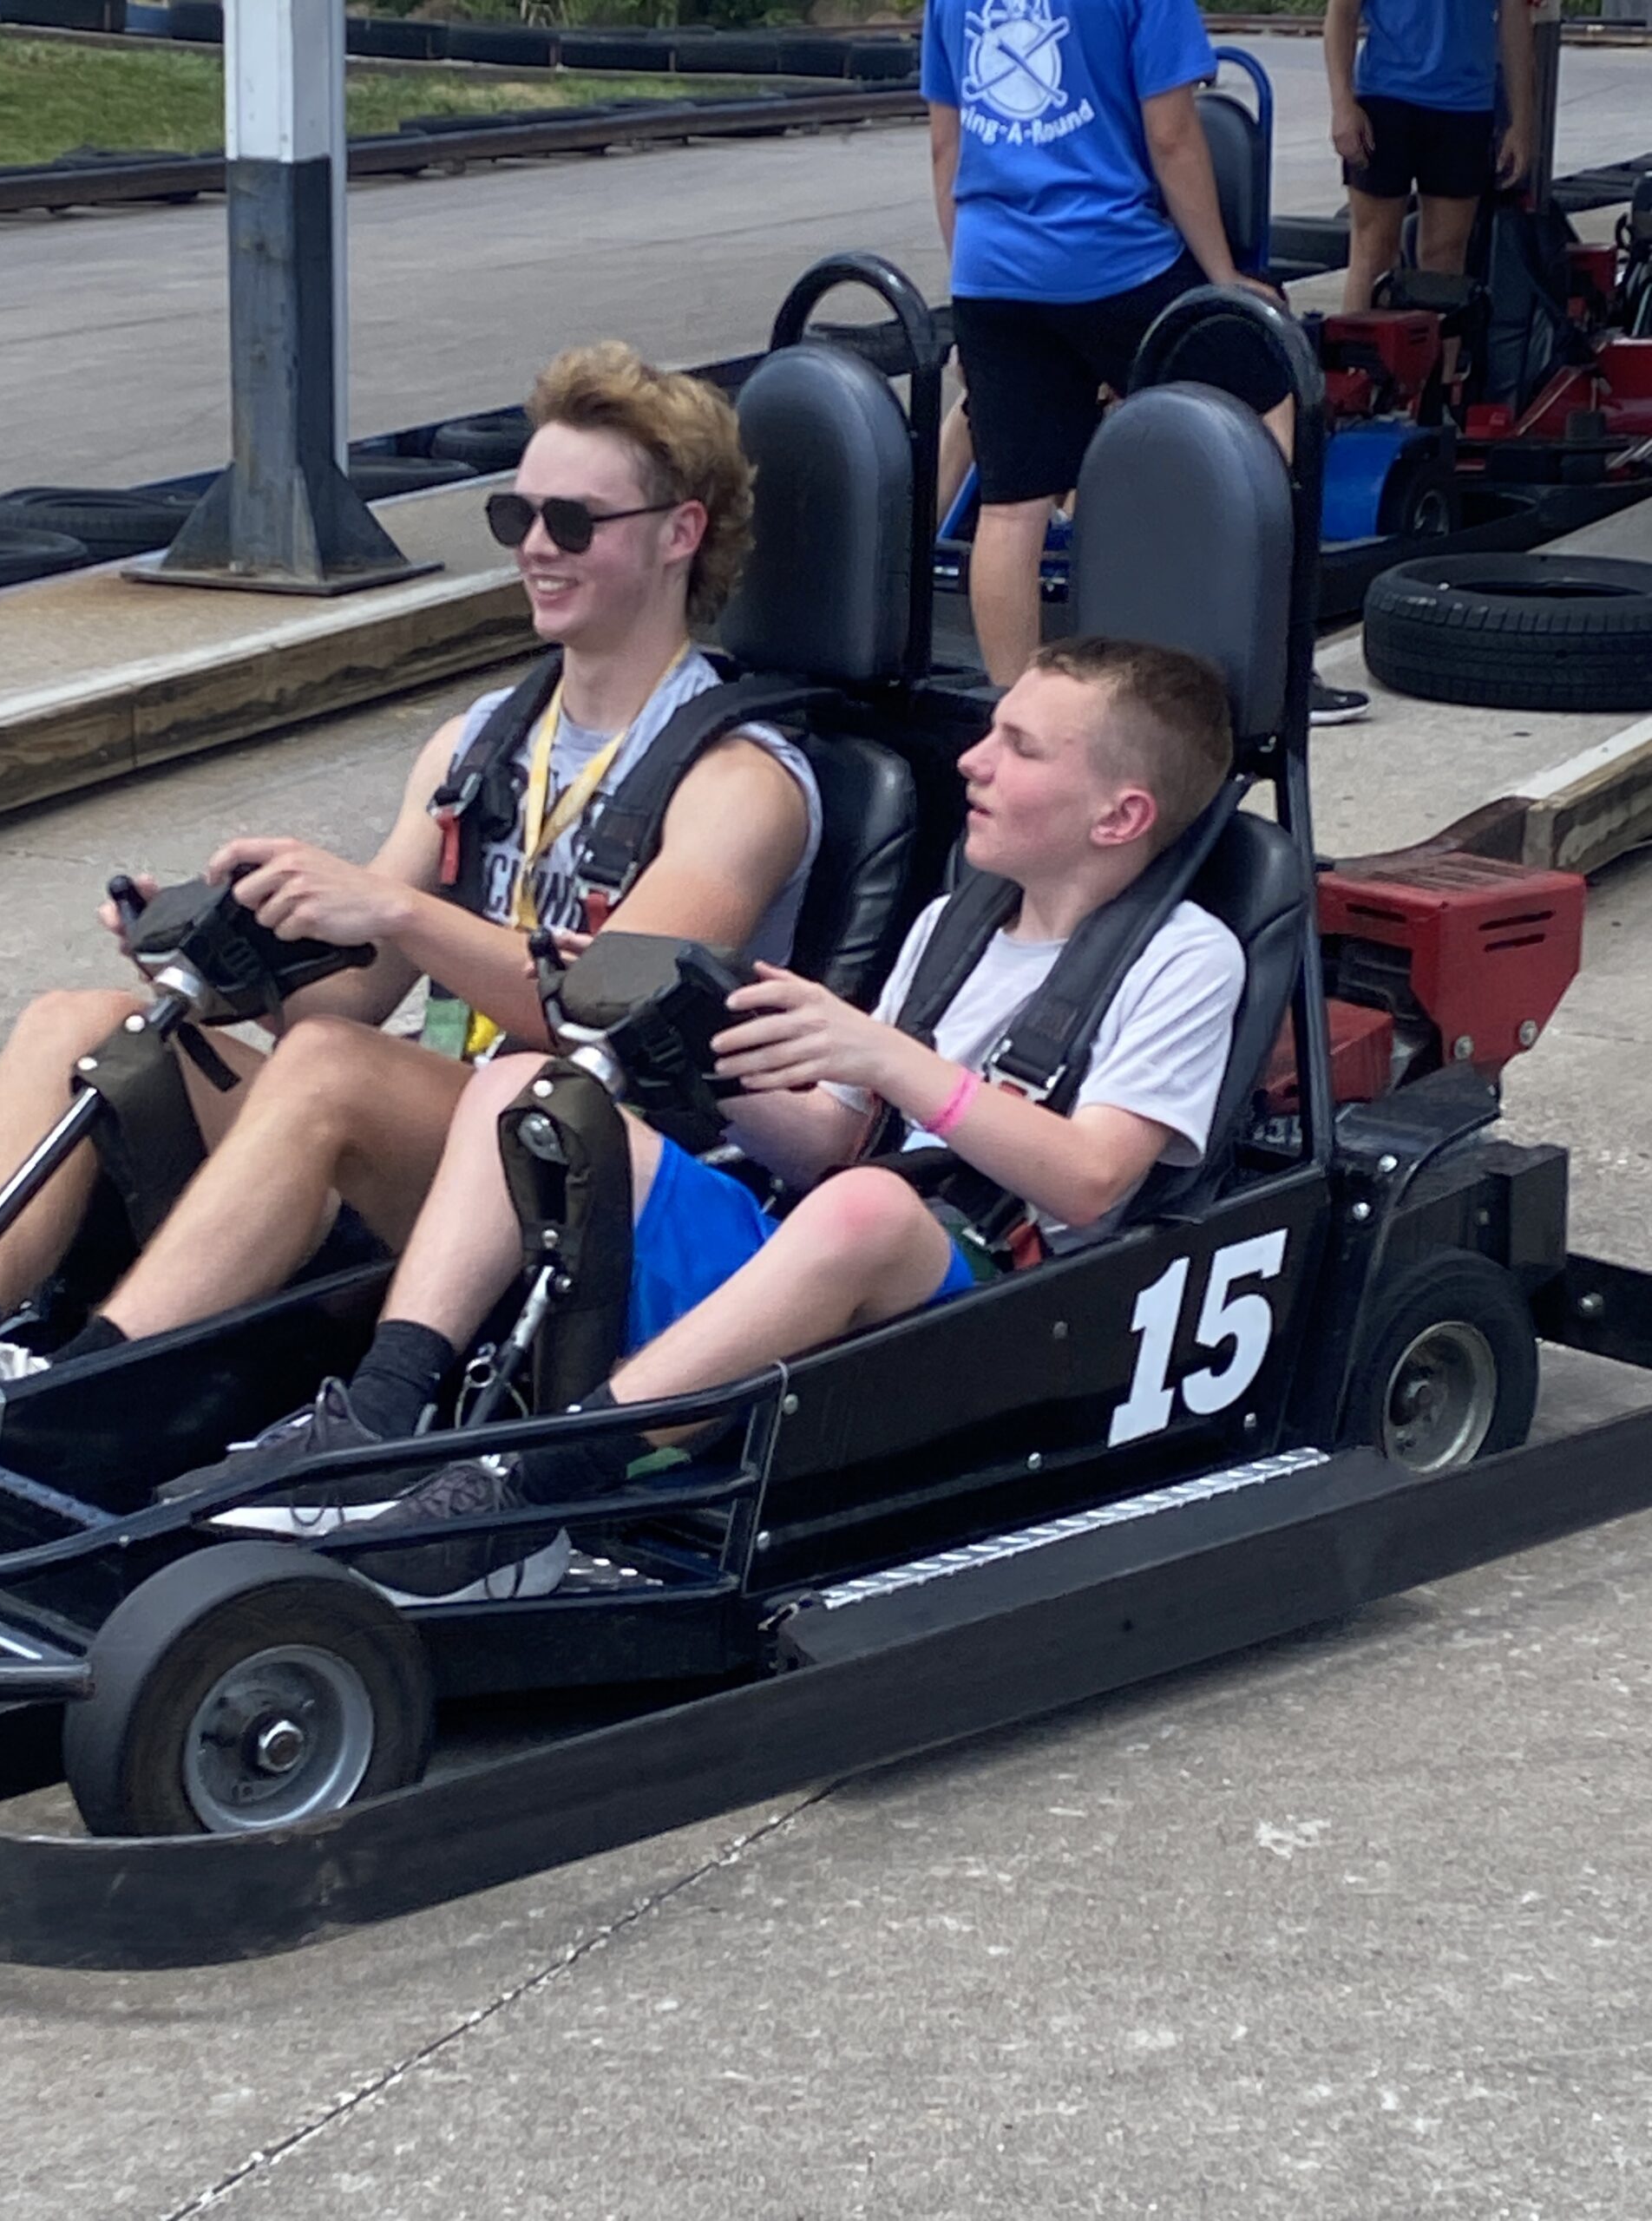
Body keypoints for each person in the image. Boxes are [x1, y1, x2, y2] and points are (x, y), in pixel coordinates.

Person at [171, 636, 1248, 1601]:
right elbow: (830, 1140)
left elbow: (1096, 1180)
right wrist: (694, 1037)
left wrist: (893, 1059)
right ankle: (380, 1417)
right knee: (526, 1085)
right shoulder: (954, 921)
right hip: (826, 1252)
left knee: (868, 1208)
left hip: (999, 1318)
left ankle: (525, 1493)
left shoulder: (1189, 957)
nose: (972, 758)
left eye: (1018, 747)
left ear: (1120, 816)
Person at [0, 341, 821, 1386]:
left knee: (331, 1075)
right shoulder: (475, 743)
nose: (536, 549)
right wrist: (226, 962)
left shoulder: (741, 783)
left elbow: (609, 1009)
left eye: (572, 523)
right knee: (81, 1023)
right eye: (517, 518)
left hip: (592, 1164)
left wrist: (393, 908)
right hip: (443, 1134)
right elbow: (346, 1004)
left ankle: (79, 1394)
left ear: (678, 535)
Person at [920, 0, 1369, 729]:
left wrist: (974, 285)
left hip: (991, 269)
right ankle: (1275, 665)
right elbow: (1172, 138)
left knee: (1011, 506)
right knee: (1270, 393)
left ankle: (1018, 719)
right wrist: (1222, 280)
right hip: (1111, 258)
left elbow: (948, 150)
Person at [1327, 0, 1534, 318]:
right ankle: (1362, 361)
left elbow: (1515, 20)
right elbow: (1342, 13)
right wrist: (1343, 105)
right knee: (1373, 251)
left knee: (1446, 257)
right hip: (1385, 97)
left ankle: (1439, 367)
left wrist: (1521, 122)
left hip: (1465, 103)